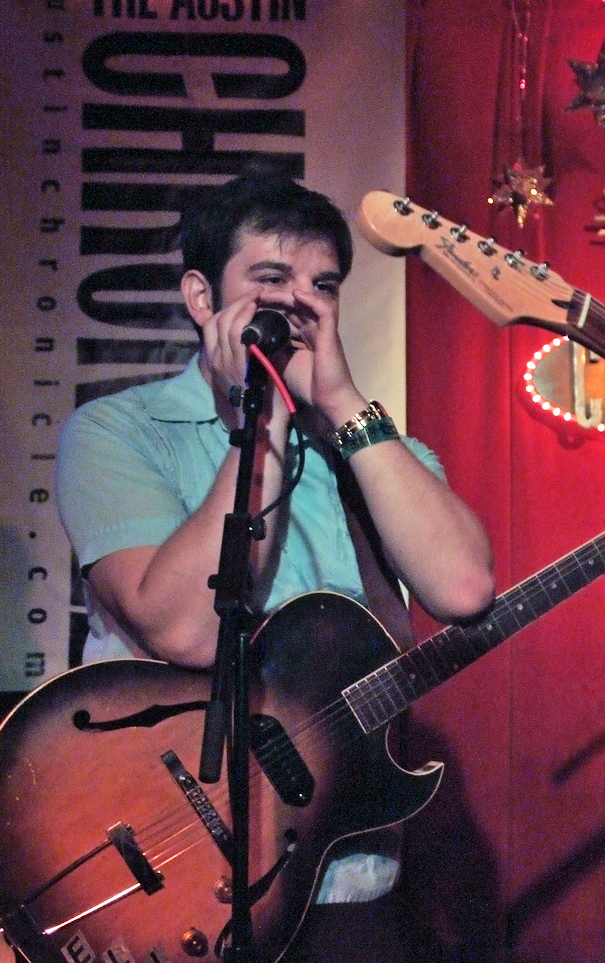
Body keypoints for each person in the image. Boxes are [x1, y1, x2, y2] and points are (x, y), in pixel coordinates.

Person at [55, 174, 495, 960]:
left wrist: (345, 403)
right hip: (162, 875)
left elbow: (462, 588)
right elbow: (183, 627)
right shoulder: (119, 431)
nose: (301, 306)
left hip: (340, 882)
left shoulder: (372, 449)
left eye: (321, 286)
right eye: (271, 281)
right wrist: (260, 423)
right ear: (201, 297)